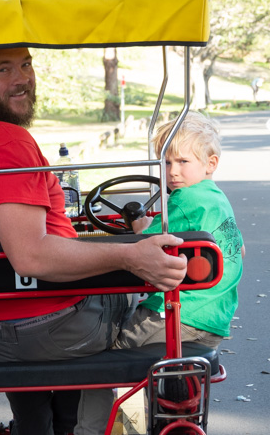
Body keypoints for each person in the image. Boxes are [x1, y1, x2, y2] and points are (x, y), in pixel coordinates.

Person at [0, 47, 188, 435]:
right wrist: (130, 256)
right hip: (48, 328)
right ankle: (80, 424)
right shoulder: (9, 144)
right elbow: (30, 256)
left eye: (26, 64)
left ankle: (35, 423)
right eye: (3, 69)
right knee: (125, 293)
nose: (22, 78)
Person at [76, 111, 245, 435]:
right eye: (166, 163)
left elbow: (143, 246)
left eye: (182, 162)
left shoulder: (183, 201)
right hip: (213, 317)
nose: (172, 172)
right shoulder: (216, 200)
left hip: (178, 316)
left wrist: (138, 226)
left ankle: (91, 430)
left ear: (210, 164)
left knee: (96, 359)